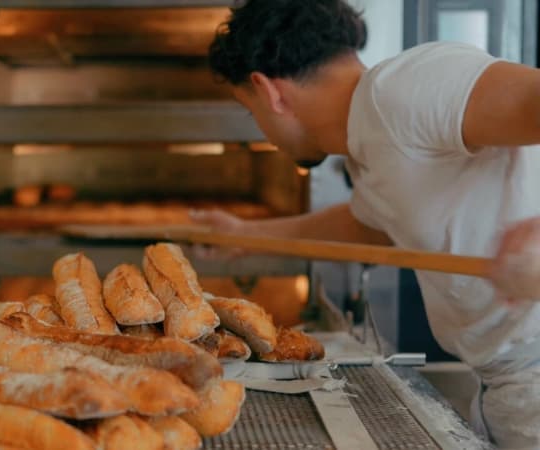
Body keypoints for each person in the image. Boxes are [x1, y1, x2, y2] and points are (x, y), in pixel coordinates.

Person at [192, 0, 540, 447]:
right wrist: (244, 236)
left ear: (269, 91)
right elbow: (371, 227)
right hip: (509, 386)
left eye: (250, 109)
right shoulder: (370, 145)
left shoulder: (406, 87)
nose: (262, 130)